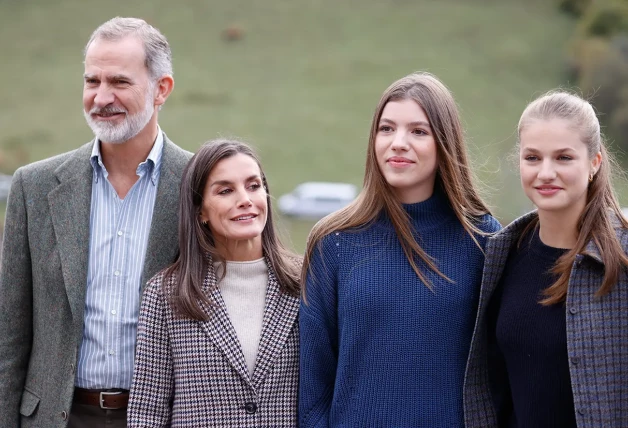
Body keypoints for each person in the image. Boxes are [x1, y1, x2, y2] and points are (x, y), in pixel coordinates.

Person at [0, 17, 191, 427]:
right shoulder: (34, 187)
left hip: (165, 417)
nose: (102, 97)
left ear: (162, 89)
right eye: (92, 81)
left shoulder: (200, 185)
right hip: (56, 417)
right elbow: (8, 334)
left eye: (119, 82)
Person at [299, 72, 501, 427]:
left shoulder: (484, 240)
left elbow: (500, 374)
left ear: (445, 142)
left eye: (418, 131)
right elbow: (313, 388)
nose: (398, 143)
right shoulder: (333, 241)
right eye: (387, 128)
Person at [464, 91, 628, 427]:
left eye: (564, 158)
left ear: (594, 162)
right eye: (533, 158)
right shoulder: (499, 255)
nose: (546, 172)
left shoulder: (622, 258)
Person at [127, 139, 301, 427]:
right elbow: (147, 412)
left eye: (254, 185)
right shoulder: (166, 293)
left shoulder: (307, 281)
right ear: (201, 211)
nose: (245, 198)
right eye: (226, 190)